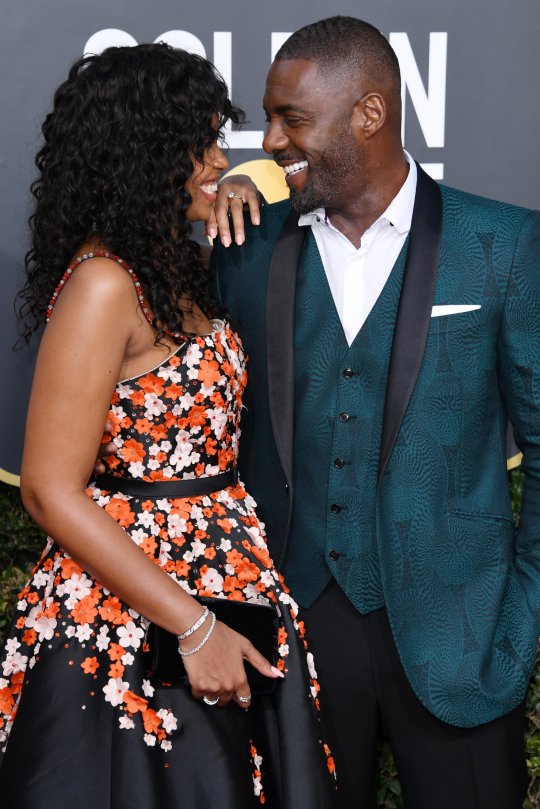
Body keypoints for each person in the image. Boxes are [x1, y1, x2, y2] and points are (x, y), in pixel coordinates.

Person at [210, 16, 540, 809]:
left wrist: (521, 614)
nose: (270, 141)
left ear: (369, 113)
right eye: (269, 117)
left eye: (291, 118)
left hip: (463, 634)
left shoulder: (502, 244)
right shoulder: (244, 245)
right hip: (296, 634)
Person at [0, 43, 338, 809]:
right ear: (144, 156)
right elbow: (49, 489)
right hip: (133, 615)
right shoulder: (102, 284)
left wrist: (230, 204)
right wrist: (192, 626)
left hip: (229, 584)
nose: (221, 158)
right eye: (201, 144)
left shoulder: (174, 267)